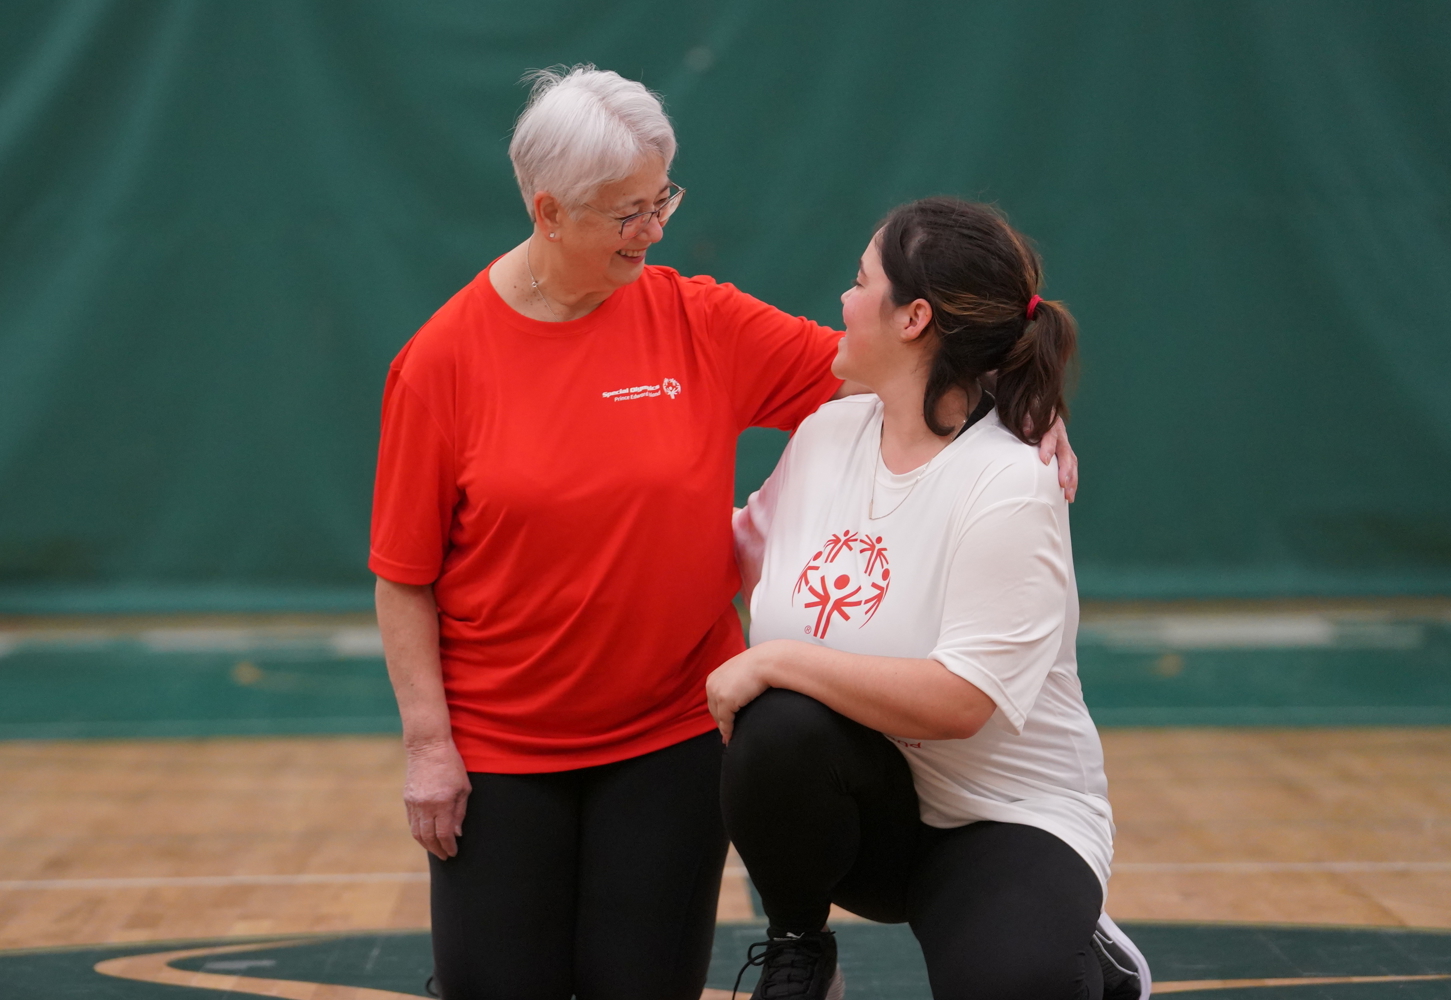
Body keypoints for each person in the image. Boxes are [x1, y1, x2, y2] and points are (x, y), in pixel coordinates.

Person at [371, 66, 1079, 1000]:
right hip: (501, 748)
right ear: (549, 211)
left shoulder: (697, 321)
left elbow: (895, 365)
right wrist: (430, 745)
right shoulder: (440, 363)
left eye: (662, 194)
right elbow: (403, 575)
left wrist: (1020, 411)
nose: (655, 226)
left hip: (666, 740)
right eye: (628, 212)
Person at [709, 198, 1148, 1000]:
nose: (841, 300)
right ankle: (800, 950)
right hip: (878, 813)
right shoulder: (825, 436)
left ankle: (1093, 957)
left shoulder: (1010, 482)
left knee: (1012, 984)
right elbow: (738, 555)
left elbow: (958, 703)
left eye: (859, 280)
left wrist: (776, 658)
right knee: (779, 728)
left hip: (1005, 817)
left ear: (914, 317)